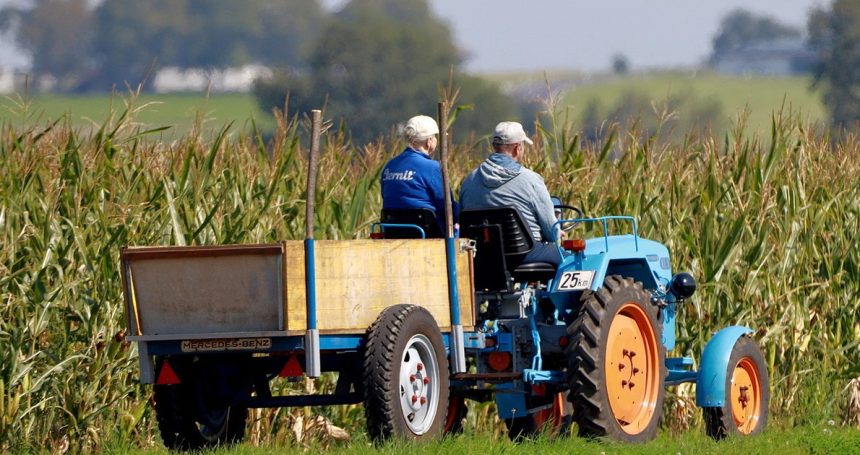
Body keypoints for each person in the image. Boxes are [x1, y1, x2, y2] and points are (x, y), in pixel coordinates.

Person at [459, 121, 562, 265]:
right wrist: (558, 233)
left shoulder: (469, 181)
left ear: (494, 146)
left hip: (483, 257)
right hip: (525, 254)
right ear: (517, 148)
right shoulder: (531, 179)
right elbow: (551, 232)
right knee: (569, 258)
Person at [381, 115, 458, 235]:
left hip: (392, 232)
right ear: (429, 142)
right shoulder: (433, 167)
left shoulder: (390, 166)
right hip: (426, 233)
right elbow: (447, 206)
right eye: (435, 137)